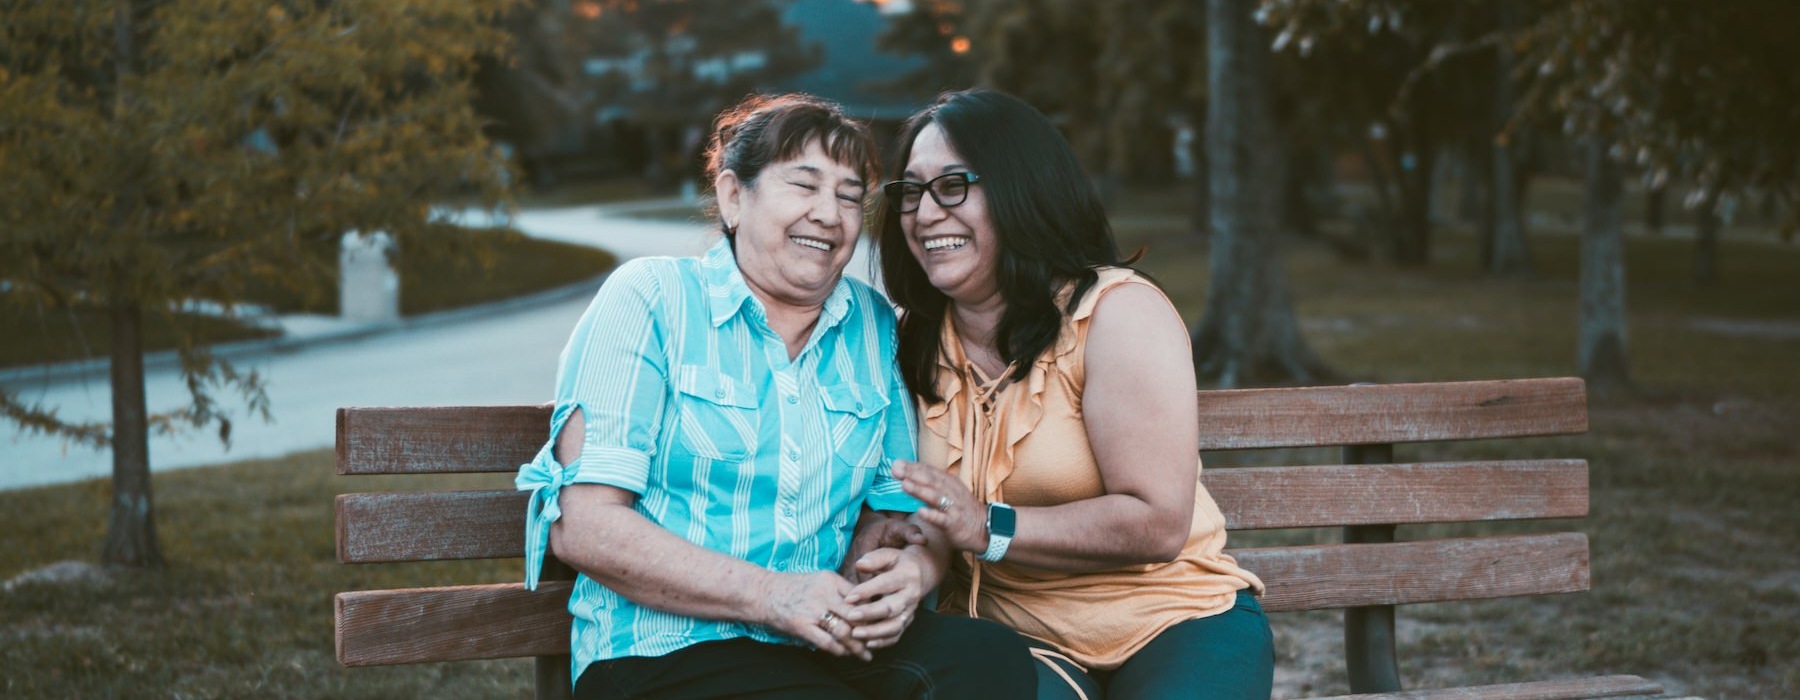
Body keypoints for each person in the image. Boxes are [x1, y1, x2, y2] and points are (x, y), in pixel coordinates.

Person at [515, 93, 1036, 700]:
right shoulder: (652, 299)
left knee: (986, 659)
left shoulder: (871, 325)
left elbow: (893, 507)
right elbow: (586, 528)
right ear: (735, 197)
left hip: (818, 641)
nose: (829, 214)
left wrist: (891, 572)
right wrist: (775, 595)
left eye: (848, 196)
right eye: (804, 185)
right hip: (663, 652)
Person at [873, 89, 1275, 700]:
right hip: (1008, 637)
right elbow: (926, 513)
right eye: (910, 191)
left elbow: (1157, 523)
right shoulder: (913, 341)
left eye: (952, 185)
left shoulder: (1115, 315)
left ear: (1022, 189)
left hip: (1171, 620)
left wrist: (987, 525)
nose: (925, 214)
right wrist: (906, 554)